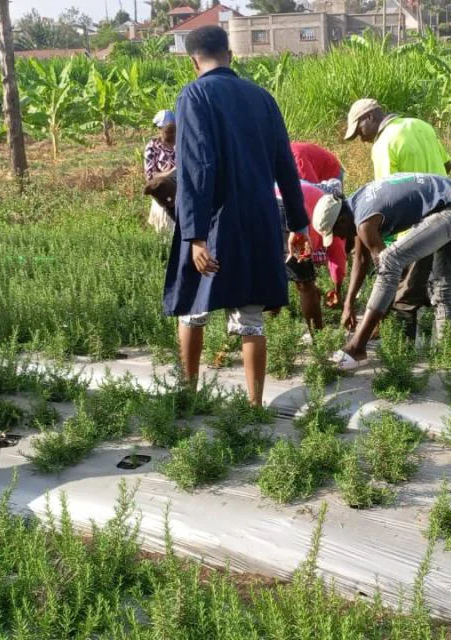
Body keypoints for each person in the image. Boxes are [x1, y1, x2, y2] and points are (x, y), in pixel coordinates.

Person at [163, 25, 310, 407]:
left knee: (194, 309)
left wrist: (194, 235)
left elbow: (196, 166)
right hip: (260, 219)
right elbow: (285, 165)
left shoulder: (193, 95)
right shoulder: (263, 98)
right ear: (230, 55)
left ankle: (189, 396)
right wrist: (298, 224)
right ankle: (255, 405)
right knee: (250, 318)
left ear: (194, 60)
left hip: (213, 220)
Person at [310, 173, 451, 369]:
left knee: (390, 259)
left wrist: (376, 319)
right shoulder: (356, 206)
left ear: (341, 221)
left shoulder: (364, 222)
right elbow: (362, 259)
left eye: (336, 233)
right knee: (441, 285)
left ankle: (357, 348)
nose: (340, 238)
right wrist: (348, 304)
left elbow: (387, 269)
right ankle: (446, 357)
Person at [344, 98, 451, 341]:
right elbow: (447, 166)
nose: (362, 139)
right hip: (449, 215)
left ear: (370, 117)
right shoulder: (421, 125)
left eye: (359, 131)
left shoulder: (384, 144)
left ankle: (403, 358)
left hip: (415, 227)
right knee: (441, 287)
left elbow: (386, 198)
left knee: (405, 296)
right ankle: (444, 348)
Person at [283, 142, 348, 335]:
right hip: (292, 207)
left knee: (274, 272)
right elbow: (338, 257)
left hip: (269, 203)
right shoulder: (330, 213)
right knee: (305, 283)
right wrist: (337, 290)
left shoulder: (287, 159)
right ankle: (318, 337)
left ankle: (265, 327)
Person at [144, 110, 177, 233]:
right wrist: (169, 173)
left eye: (173, 130)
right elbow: (150, 177)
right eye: (168, 130)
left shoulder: (182, 143)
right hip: (163, 196)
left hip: (183, 195)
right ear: (159, 128)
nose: (172, 134)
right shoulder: (152, 147)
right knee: (166, 237)